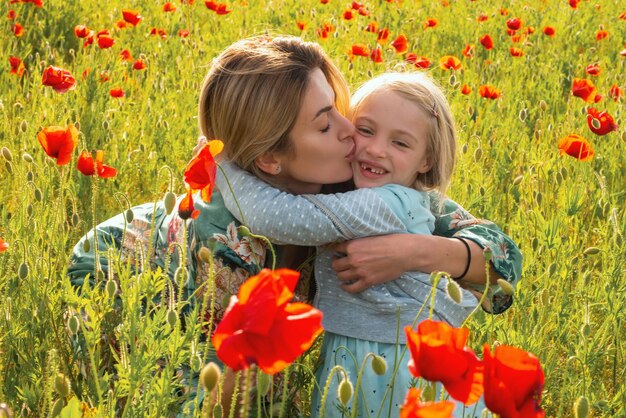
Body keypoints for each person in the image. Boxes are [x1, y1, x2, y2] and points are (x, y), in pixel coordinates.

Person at [67, 36, 521, 417]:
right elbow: (197, 403)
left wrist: (414, 252)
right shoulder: (212, 246)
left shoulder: (357, 183)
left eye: (340, 110)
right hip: (120, 276)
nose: (351, 132)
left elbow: (503, 260)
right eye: (326, 126)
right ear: (269, 158)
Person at [213, 71, 513, 417]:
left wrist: (224, 165)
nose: (374, 148)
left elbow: (277, 217)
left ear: (426, 161)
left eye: (400, 143)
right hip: (358, 358)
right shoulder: (360, 192)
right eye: (365, 130)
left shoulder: (387, 203)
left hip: (396, 370)